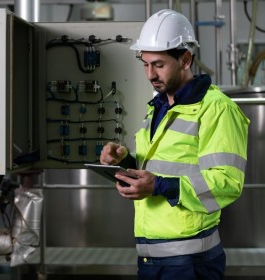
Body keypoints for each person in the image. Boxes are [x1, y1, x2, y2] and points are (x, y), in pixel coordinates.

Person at [100, 9, 249, 280]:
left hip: (190, 261)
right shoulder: (157, 106)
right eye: (144, 64)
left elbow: (227, 183)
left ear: (186, 59)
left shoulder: (216, 110)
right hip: (150, 255)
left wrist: (158, 185)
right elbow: (158, 165)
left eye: (158, 64)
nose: (149, 74)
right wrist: (123, 160)